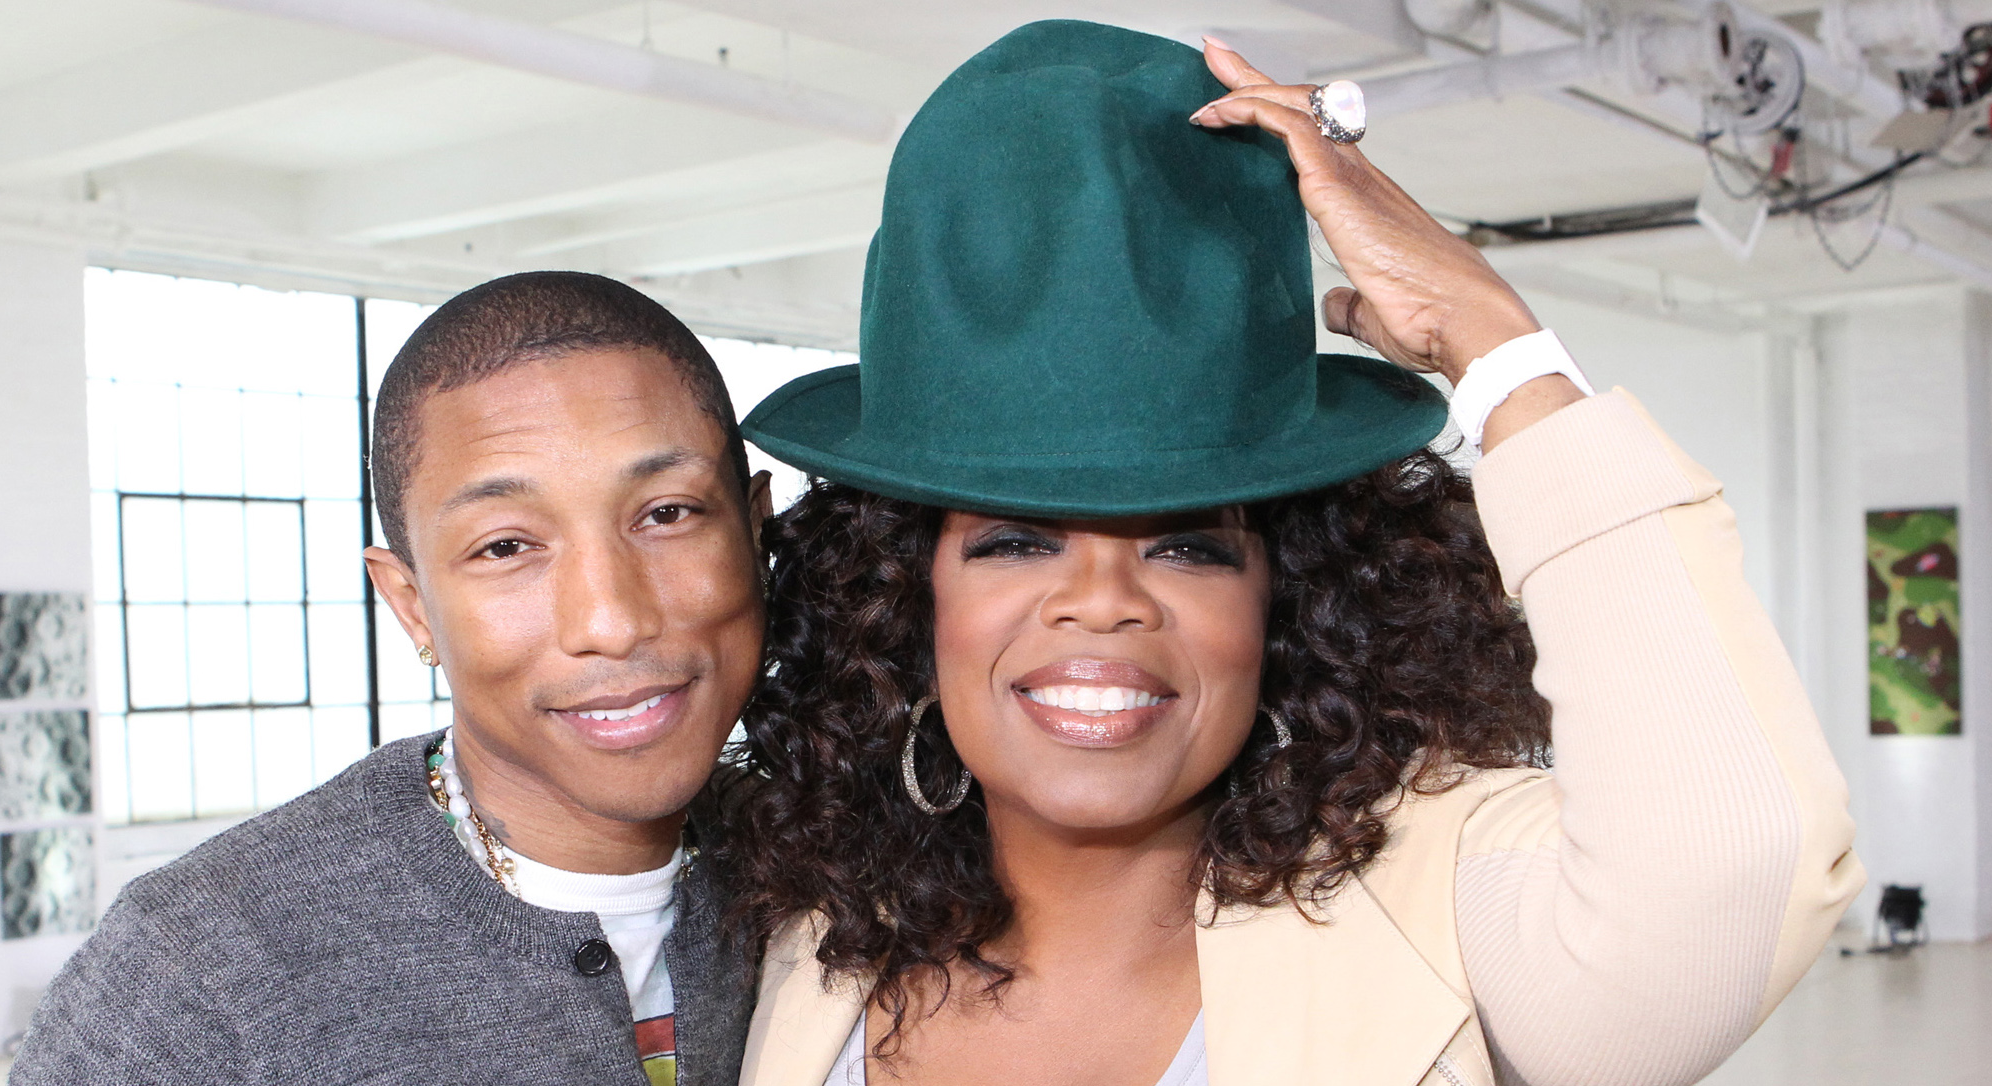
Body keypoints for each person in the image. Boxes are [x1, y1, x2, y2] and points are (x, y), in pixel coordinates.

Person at [721, 21, 1862, 1086]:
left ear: (1292, 598)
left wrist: (1499, 352)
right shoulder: (789, 929)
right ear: (904, 598)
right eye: (1014, 541)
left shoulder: (1443, 897)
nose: (1103, 604)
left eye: (1189, 549)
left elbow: (1737, 858)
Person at [13, 271, 771, 1086]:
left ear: (757, 533)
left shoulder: (848, 871)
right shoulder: (197, 974)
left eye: (667, 514)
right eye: (505, 547)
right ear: (412, 605)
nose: (611, 621)